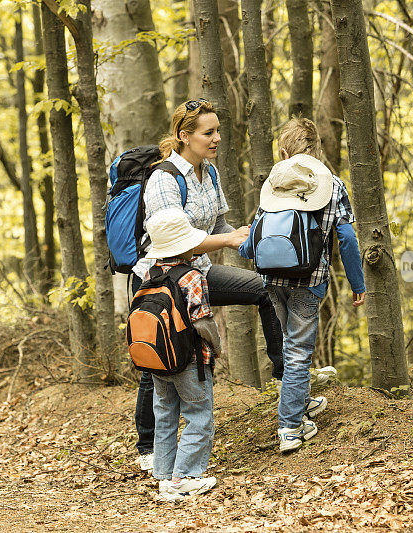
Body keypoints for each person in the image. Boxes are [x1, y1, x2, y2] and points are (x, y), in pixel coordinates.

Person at [132, 99, 284, 471]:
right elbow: (178, 242)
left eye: (218, 131)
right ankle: (148, 448)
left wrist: (253, 240)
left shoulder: (210, 174)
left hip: (198, 274)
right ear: (184, 136)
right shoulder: (164, 179)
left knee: (261, 289)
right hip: (162, 280)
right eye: (208, 132)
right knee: (165, 355)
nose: (217, 138)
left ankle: (286, 376)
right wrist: (230, 242)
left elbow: (217, 229)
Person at [239, 117, 366, 453]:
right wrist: (357, 282)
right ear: (318, 154)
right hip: (308, 282)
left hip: (270, 279)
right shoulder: (333, 185)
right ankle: (290, 427)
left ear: (284, 151)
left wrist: (244, 249)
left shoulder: (274, 184)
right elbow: (348, 238)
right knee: (298, 352)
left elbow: (258, 228)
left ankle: (300, 403)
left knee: (290, 344)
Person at [137, 208, 221, 499]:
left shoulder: (151, 274)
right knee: (199, 416)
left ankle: (163, 476)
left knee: (166, 416)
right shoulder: (192, 277)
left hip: (158, 362)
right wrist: (217, 349)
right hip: (191, 362)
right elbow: (202, 322)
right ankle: (183, 477)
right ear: (187, 246)